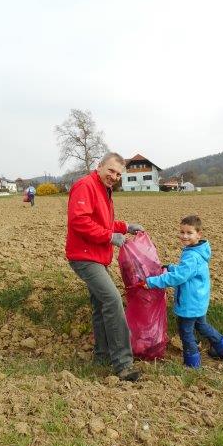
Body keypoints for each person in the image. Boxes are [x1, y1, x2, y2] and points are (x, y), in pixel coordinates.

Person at [66, 153, 144, 381]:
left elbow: (104, 222)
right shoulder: (85, 186)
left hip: (97, 256)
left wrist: (125, 226)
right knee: (112, 300)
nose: (114, 177)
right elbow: (79, 221)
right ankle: (123, 364)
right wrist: (110, 237)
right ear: (99, 166)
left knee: (101, 306)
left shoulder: (104, 190)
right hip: (84, 257)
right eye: (111, 171)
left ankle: (101, 356)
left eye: (118, 174)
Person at [143, 215, 223, 369]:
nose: (184, 236)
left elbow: (179, 277)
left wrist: (151, 282)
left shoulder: (191, 256)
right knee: (202, 326)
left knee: (186, 333)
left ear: (199, 234)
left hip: (189, 303)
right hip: (199, 301)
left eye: (189, 233)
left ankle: (192, 365)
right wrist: (171, 267)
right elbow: (187, 271)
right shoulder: (198, 251)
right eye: (182, 232)